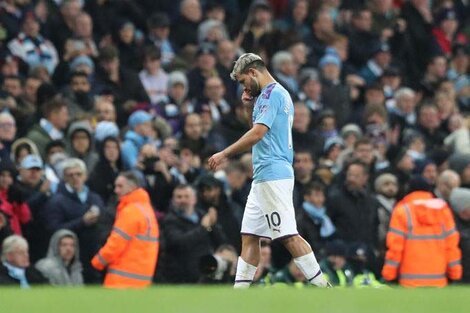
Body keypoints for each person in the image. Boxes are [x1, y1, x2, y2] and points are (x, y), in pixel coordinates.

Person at [208, 53, 329, 288]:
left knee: (287, 235)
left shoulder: (272, 94)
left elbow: (258, 133)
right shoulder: (270, 95)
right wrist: (249, 102)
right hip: (264, 175)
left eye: (244, 81)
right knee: (250, 236)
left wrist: (224, 154)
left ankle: (324, 288)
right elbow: (259, 128)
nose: (244, 86)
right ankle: (239, 294)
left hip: (273, 174)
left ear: (253, 72)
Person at [91, 171, 159, 288]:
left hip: (121, 280)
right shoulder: (147, 210)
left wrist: (98, 262)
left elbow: (116, 243)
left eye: (120, 186)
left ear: (132, 187)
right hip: (142, 280)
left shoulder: (130, 211)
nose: (116, 190)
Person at [382, 189, 462, 287]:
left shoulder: (402, 211)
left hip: (409, 281)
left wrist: (389, 274)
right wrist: (455, 274)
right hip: (438, 280)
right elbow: (451, 246)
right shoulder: (443, 211)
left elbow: (395, 248)